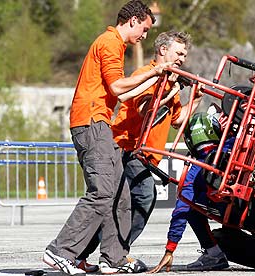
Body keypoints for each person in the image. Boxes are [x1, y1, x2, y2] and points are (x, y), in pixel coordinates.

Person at [42, 1, 172, 275]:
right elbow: (117, 85)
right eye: (145, 29)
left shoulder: (116, 45)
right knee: (101, 192)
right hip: (92, 122)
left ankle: (112, 259)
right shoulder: (110, 42)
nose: (144, 36)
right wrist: (153, 71)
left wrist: (160, 81)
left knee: (120, 195)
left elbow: (123, 95)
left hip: (101, 123)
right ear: (134, 20)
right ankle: (60, 251)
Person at [75, 30, 199, 269]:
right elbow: (146, 110)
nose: (182, 58)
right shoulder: (147, 76)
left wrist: (196, 98)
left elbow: (176, 119)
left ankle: (86, 253)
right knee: (144, 195)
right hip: (128, 148)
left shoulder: (168, 81)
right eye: (179, 52)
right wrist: (171, 91)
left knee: (112, 208)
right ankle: (115, 254)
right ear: (163, 50)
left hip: (145, 155)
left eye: (184, 54)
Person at [149, 110, 234, 273]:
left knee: (192, 207)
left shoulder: (194, 169)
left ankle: (214, 253)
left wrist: (170, 248)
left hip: (230, 212)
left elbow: (182, 209)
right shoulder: (237, 144)